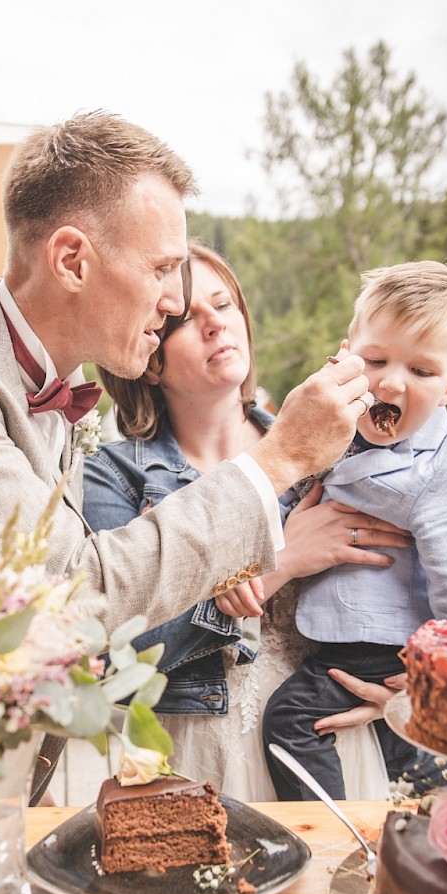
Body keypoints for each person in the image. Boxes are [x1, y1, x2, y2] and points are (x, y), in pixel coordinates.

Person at [0, 112, 378, 812]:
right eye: (164, 268)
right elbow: (68, 593)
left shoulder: (43, 385)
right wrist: (279, 457)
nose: (174, 301)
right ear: (72, 260)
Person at [83, 240, 407, 802]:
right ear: (148, 353)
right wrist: (278, 562)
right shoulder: (112, 477)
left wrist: (405, 688)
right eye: (186, 318)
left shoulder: (342, 448)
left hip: (328, 737)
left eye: (224, 304)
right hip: (198, 751)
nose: (215, 325)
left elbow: (413, 572)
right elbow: (116, 656)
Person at [263, 261, 447, 802]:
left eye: (421, 371)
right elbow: (289, 486)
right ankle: (423, 822)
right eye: (375, 360)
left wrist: (444, 675)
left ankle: (333, 837)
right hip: (345, 627)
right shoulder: (332, 419)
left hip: (390, 640)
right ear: (346, 356)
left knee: (293, 720)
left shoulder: (441, 466)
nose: (391, 381)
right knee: (407, 758)